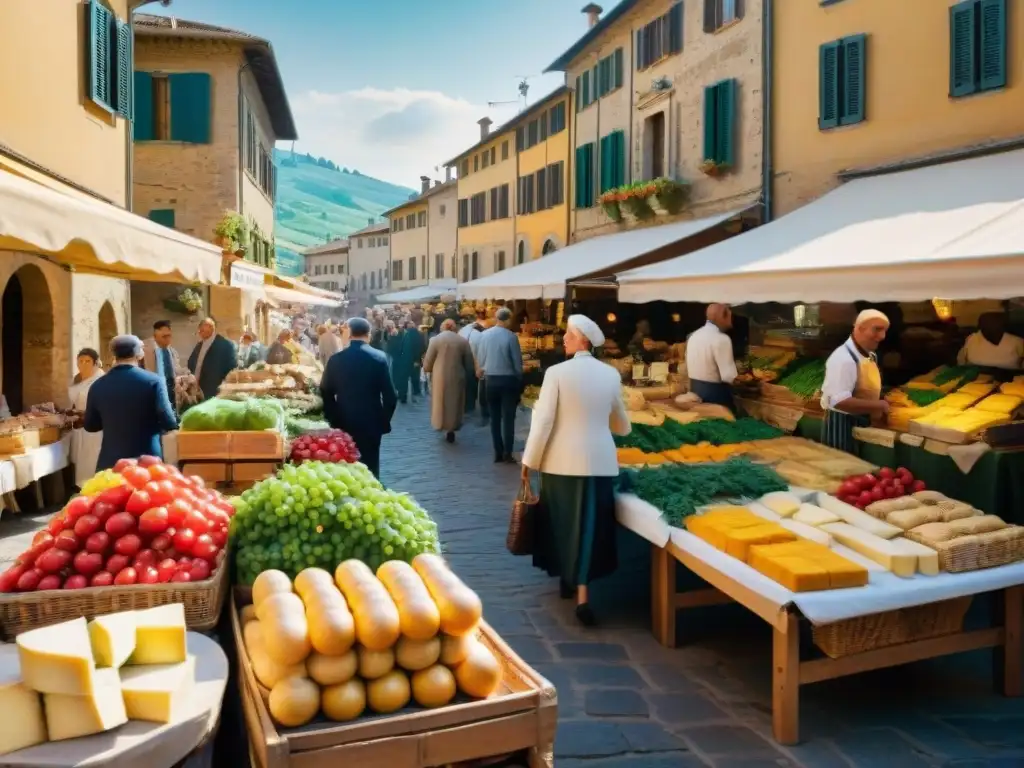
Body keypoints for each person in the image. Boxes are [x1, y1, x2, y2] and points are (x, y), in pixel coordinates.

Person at [522, 315, 631, 627]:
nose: (564, 340)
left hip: (560, 461)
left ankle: (570, 583)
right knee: (590, 525)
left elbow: (543, 422)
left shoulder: (556, 373)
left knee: (562, 520)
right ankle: (581, 589)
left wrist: (529, 463)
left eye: (569, 335)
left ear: (582, 340)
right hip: (599, 461)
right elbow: (621, 425)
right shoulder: (610, 374)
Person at [84, 335, 178, 470]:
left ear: (113, 354)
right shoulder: (153, 381)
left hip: (111, 463)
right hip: (146, 461)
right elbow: (168, 422)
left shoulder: (97, 385)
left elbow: (91, 426)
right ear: (139, 355)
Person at [320, 317, 397, 479]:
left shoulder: (336, 359)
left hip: (343, 421)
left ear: (350, 334)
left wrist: (333, 419)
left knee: (346, 467)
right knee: (370, 468)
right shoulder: (379, 358)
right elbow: (390, 397)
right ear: (369, 335)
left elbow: (326, 392)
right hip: (371, 422)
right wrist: (383, 421)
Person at [820, 309, 891, 452]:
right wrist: (879, 405)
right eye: (877, 329)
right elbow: (839, 402)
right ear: (859, 328)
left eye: (884, 331)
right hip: (841, 426)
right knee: (843, 470)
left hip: (862, 422)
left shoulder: (870, 356)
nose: (882, 336)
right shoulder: (843, 359)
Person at [475, 307, 524, 463]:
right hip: (508, 380)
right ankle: (508, 453)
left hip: (491, 381)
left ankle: (498, 451)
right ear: (508, 319)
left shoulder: (484, 336)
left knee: (494, 418)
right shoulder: (511, 337)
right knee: (508, 418)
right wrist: (520, 376)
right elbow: (517, 363)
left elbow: (481, 360)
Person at [422, 319, 476, 444]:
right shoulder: (462, 341)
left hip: (439, 376)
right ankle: (452, 427)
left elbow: (428, 363)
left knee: (440, 401)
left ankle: (440, 424)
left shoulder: (435, 340)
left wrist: (428, 369)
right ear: (454, 327)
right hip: (457, 375)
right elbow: (469, 363)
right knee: (454, 402)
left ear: (442, 327)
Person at [685, 304, 739, 410]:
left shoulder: (693, 336)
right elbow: (729, 376)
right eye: (729, 316)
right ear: (722, 317)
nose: (732, 320)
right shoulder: (722, 339)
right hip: (716, 397)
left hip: (695, 392)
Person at [68, 348, 104, 488]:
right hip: (78, 426)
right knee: (81, 460)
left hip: (95, 427)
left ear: (95, 363)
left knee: (92, 459)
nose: (83, 364)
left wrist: (84, 414)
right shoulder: (76, 379)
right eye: (80, 361)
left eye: (87, 361)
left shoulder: (100, 380)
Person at [187, 317, 237, 400]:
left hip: (214, 392)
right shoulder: (199, 345)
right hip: (197, 391)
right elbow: (191, 362)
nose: (199, 330)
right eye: (199, 328)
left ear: (211, 327)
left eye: (203, 327)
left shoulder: (225, 345)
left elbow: (231, 368)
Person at [957, 312, 1024, 369]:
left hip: (975, 378)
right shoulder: (1017, 341)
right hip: (1009, 379)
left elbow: (961, 361)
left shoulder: (971, 338)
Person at [143, 320, 179, 411]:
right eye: (164, 336)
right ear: (155, 336)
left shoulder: (172, 352)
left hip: (171, 389)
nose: (167, 339)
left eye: (169, 336)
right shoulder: (145, 349)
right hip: (153, 389)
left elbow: (176, 369)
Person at [460, 308, 490, 419]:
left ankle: (467, 405)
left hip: (465, 362)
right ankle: (474, 406)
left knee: (467, 384)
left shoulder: (463, 331)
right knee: (475, 385)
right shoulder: (480, 335)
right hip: (476, 363)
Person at [394, 319, 425, 404]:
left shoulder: (402, 334)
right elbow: (422, 347)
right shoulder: (419, 334)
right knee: (415, 379)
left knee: (403, 379)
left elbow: (397, 347)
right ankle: (415, 396)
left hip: (404, 360)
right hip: (414, 360)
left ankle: (403, 396)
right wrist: (417, 359)